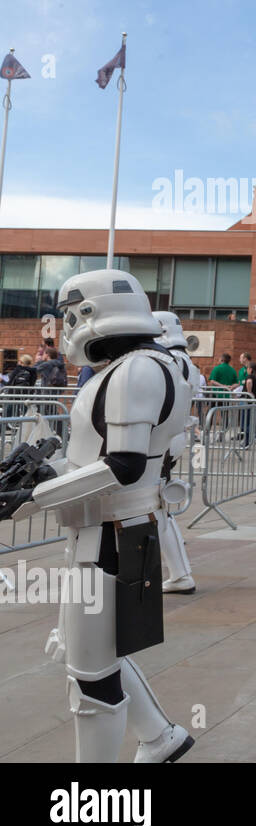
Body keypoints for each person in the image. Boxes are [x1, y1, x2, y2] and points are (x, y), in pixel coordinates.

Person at [1, 269, 195, 762]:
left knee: (90, 676)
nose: (64, 327)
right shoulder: (139, 366)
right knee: (88, 652)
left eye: (70, 315)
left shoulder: (136, 370)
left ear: (90, 314)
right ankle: (161, 738)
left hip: (111, 536)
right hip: (105, 532)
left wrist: (35, 497)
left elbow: (124, 468)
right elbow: (101, 459)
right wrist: (44, 472)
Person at [153, 311, 204, 595]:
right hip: (172, 437)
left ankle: (179, 573)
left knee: (154, 506)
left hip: (162, 439)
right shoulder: (184, 361)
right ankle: (178, 572)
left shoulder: (168, 360)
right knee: (156, 507)